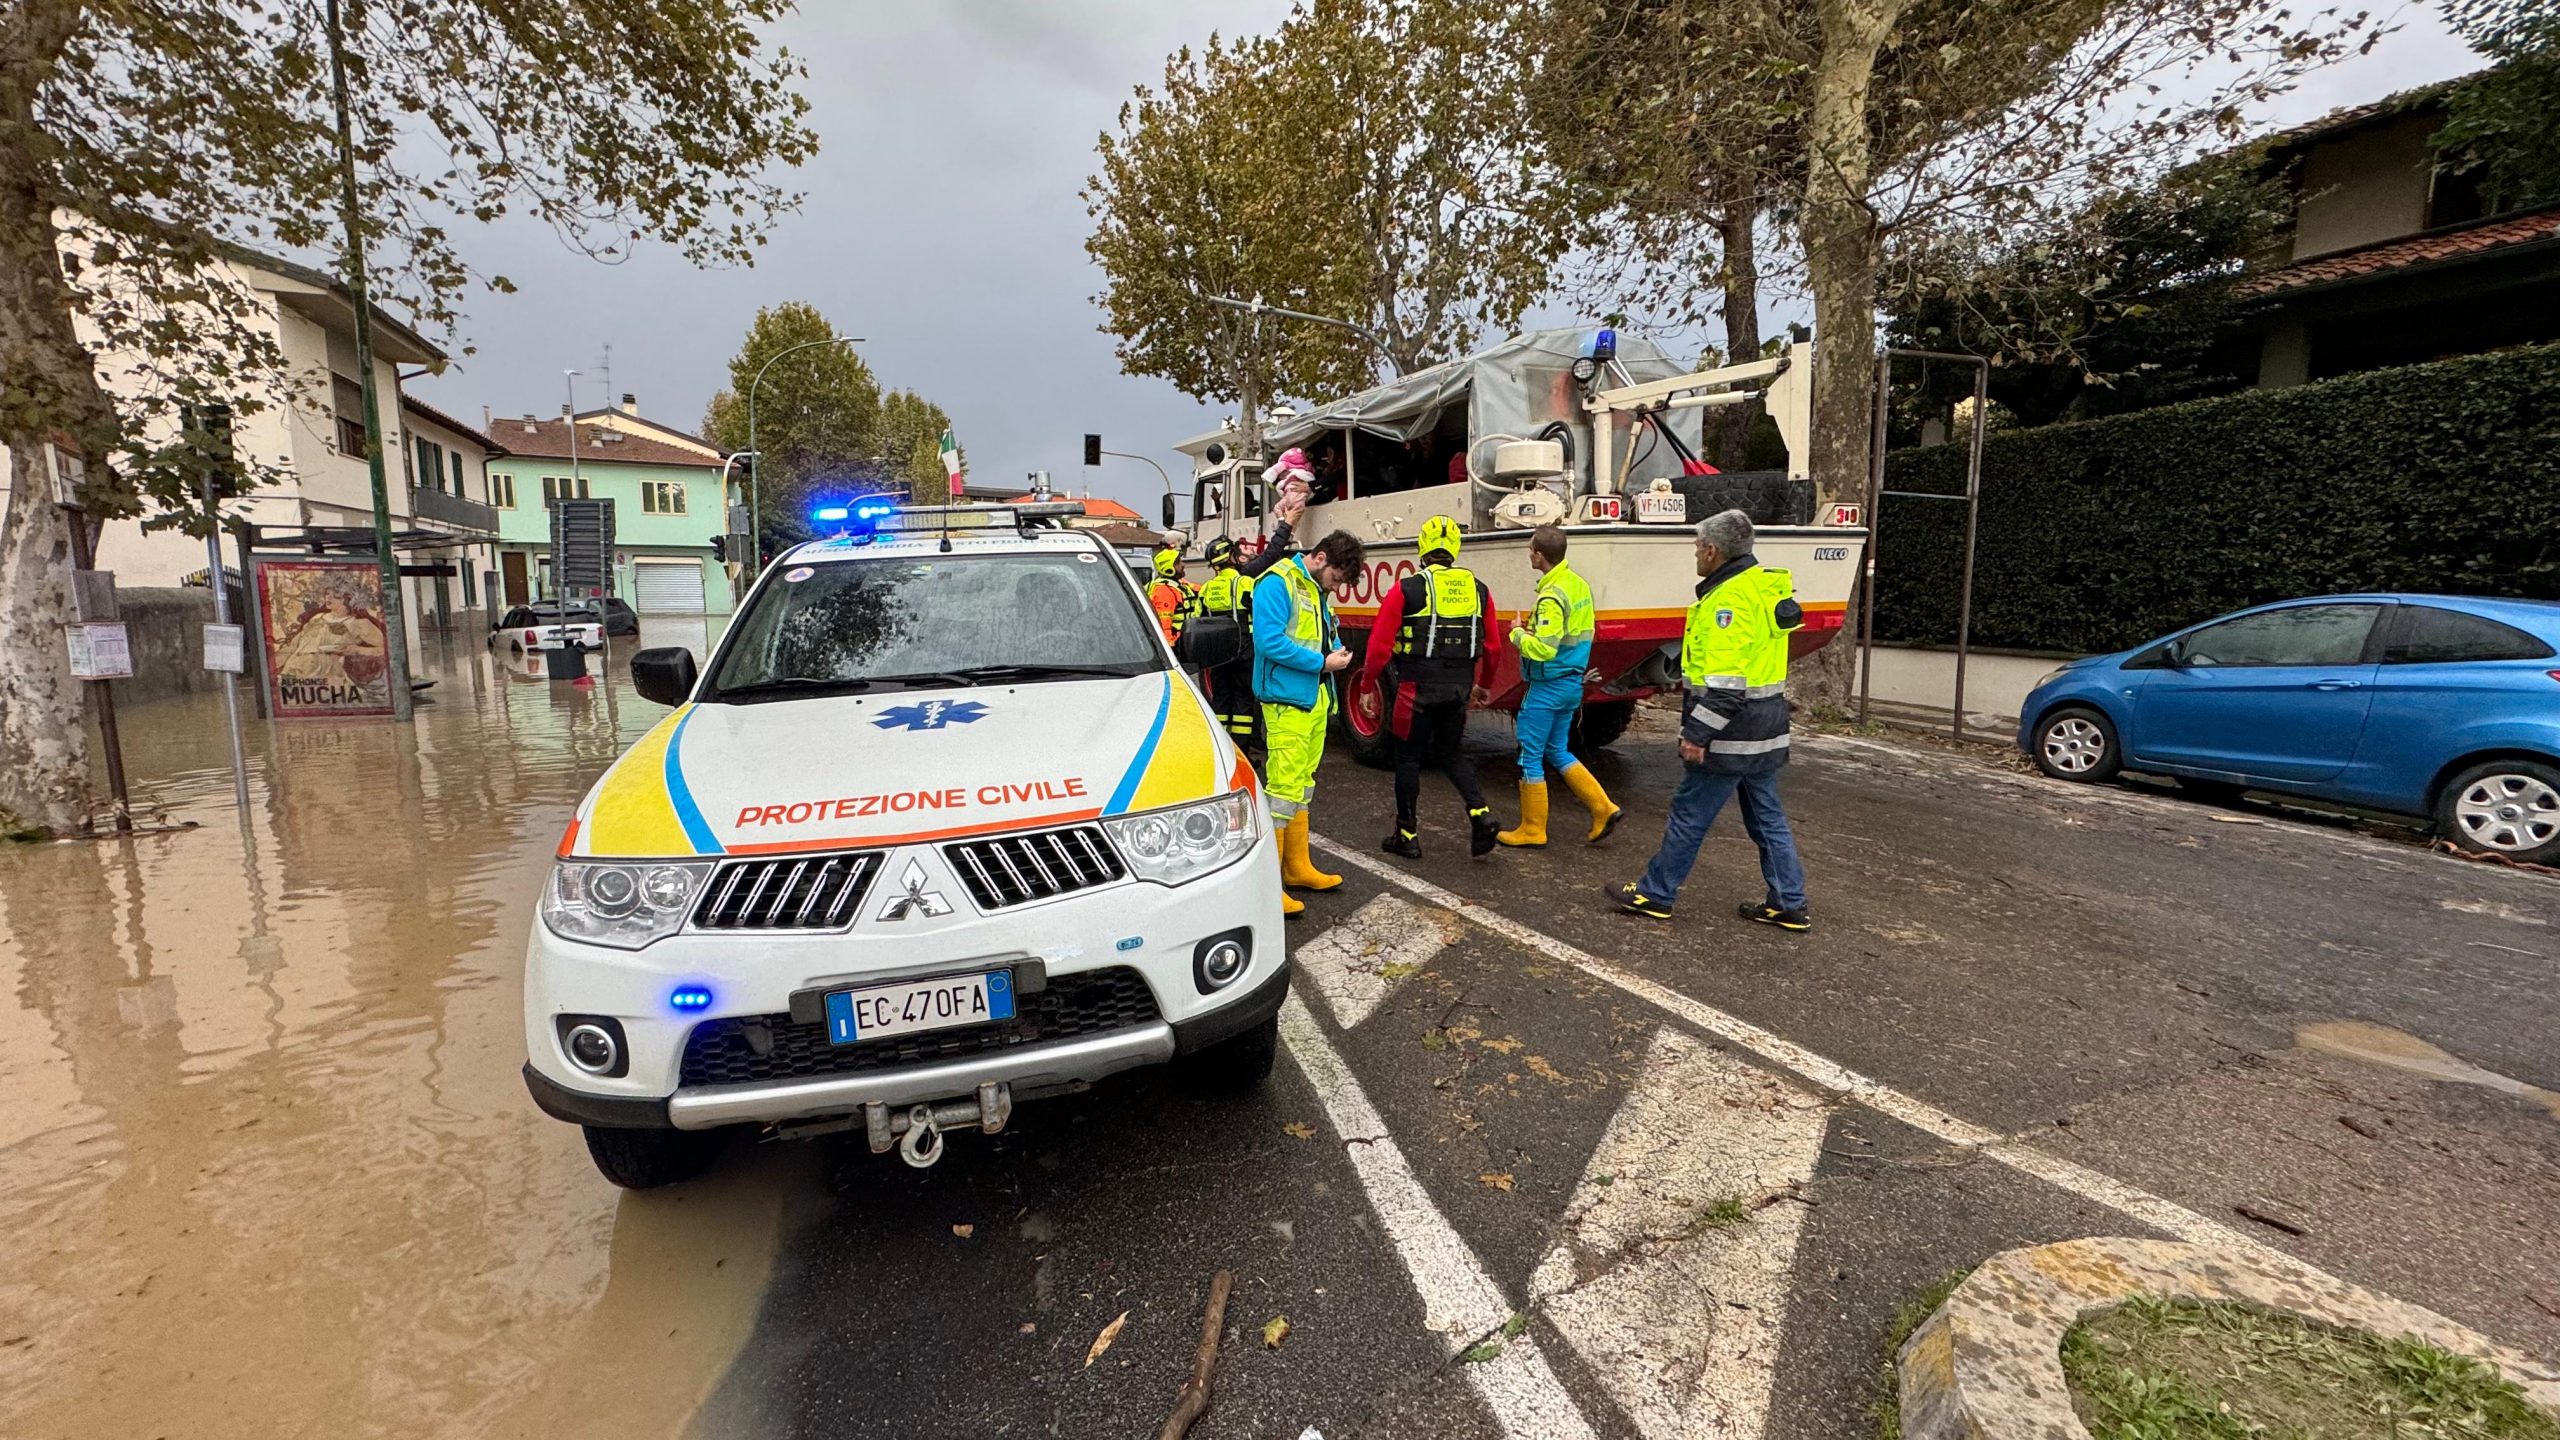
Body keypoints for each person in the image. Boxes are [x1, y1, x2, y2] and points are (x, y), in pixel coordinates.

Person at [1606, 509, 1812, 931]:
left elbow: (1725, 686)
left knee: (1690, 813)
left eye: (1698, 547)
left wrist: (1697, 734)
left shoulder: (1727, 602)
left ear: (1713, 551)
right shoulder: (1766, 586)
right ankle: (1788, 901)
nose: (1696, 554)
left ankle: (1656, 894)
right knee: (1766, 816)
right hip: (1767, 727)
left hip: (1730, 734)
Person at [1361, 515, 1502, 859]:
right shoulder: (1478, 589)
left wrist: (1367, 685)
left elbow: (1380, 645)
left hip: (1415, 690)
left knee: (1407, 758)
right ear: (1456, 549)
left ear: (1422, 548)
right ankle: (1480, 816)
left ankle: (1406, 834)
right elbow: (1494, 647)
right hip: (1458, 688)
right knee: (1451, 752)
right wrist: (1483, 684)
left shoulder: (1407, 588)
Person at [1253, 528, 1366, 917]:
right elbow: (1269, 642)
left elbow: (1310, 636)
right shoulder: (1277, 582)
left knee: (1301, 788)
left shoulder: (1315, 588)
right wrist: (1322, 661)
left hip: (1313, 697)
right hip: (1286, 700)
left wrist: (1331, 651)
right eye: (1336, 579)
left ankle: (1297, 868)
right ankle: (1269, 885)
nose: (1335, 587)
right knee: (1282, 793)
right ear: (1320, 559)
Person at [1498, 525, 1622, 847]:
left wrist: (1517, 634)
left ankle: (1532, 829)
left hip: (1548, 686)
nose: (1529, 554)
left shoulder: (1552, 595)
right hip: (1571, 683)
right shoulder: (1577, 585)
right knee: (1557, 750)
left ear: (1539, 555)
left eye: (1530, 549)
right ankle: (1603, 807)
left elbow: (1545, 648)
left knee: (1530, 754)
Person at [1193, 534, 1266, 773]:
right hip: (1244, 650)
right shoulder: (1244, 583)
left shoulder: (1206, 589)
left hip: (1217, 654)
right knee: (1244, 701)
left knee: (1221, 701)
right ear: (1233, 557)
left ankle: (1222, 752)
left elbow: (1197, 620)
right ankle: (1242, 755)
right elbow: (1262, 611)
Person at [1146, 546, 1197, 644]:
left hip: (1184, 640)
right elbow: (1164, 624)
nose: (1183, 564)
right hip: (1176, 644)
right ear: (1168, 568)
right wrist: (1171, 648)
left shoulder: (1177, 584)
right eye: (1178, 562)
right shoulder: (1163, 590)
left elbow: (1199, 589)